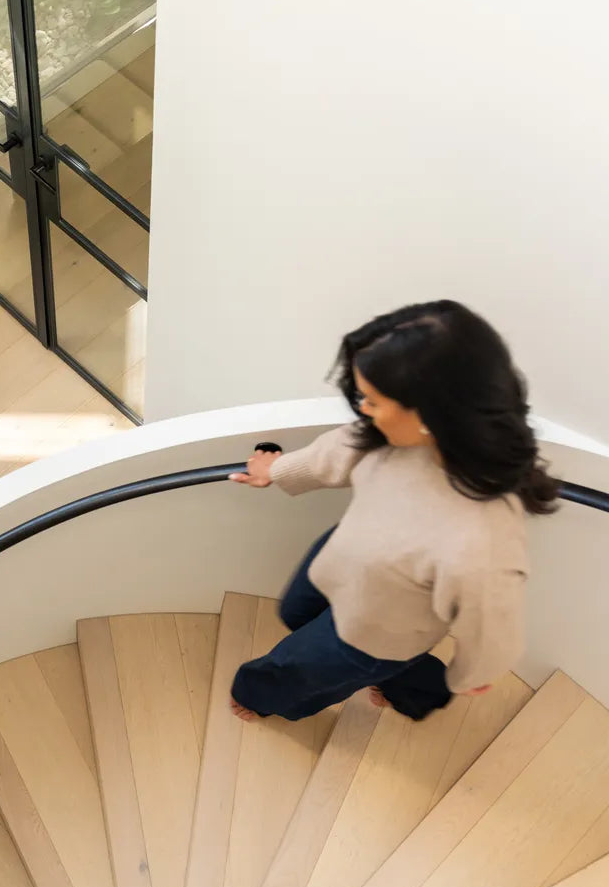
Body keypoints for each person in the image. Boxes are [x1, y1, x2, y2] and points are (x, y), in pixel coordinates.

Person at [229, 300, 558, 723]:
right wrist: (276, 470)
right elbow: (339, 449)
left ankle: (259, 697)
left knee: (295, 669)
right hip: (344, 562)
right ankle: (418, 686)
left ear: (431, 415)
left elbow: (492, 624)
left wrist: (472, 673)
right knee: (296, 613)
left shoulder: (481, 538)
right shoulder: (389, 436)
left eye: (373, 400)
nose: (363, 409)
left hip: (379, 631)